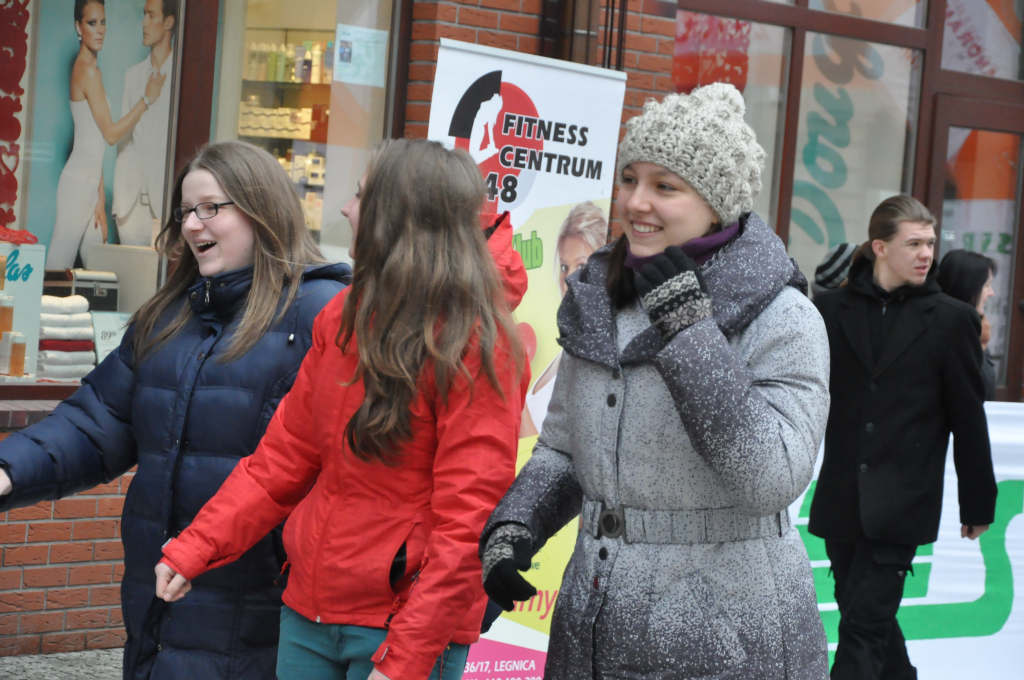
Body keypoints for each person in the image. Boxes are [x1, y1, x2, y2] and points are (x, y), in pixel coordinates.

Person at [480, 82, 830, 678]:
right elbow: (565, 446)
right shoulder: (597, 299)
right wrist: (518, 525)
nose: (636, 202)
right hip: (593, 623)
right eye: (630, 179)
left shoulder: (783, 315)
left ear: (716, 204)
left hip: (731, 634)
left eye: (665, 187)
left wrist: (689, 330)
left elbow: (771, 476)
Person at [153, 139, 529, 680]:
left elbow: (468, 524)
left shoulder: (476, 342)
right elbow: (280, 461)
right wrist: (195, 546)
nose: (347, 209)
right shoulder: (344, 316)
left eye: (360, 195)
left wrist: (404, 662)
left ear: (400, 215)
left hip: (401, 626)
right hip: (310, 610)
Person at [0, 140, 351, 679]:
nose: (192, 224)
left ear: (262, 210)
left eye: (211, 208)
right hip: (160, 608)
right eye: (186, 210)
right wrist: (8, 469)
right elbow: (96, 424)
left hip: (267, 616)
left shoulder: (319, 315)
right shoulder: (167, 317)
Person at [809, 195, 997, 680]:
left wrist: (979, 502)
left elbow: (968, 418)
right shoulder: (829, 310)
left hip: (902, 506)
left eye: (930, 243)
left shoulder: (953, 319)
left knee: (861, 632)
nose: (925, 254)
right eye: (913, 243)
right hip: (841, 499)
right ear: (880, 247)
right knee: (865, 618)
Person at [47, 0, 166, 270]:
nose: (100, 30)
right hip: (77, 186)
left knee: (94, 265)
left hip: (89, 186)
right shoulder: (86, 71)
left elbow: (94, 143)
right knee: (57, 265)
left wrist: (99, 199)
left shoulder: (93, 70)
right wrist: (147, 99)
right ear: (78, 27)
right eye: (92, 23)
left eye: (103, 22)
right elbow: (111, 135)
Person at [520, 200, 607, 437]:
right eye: (563, 267)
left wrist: (512, 383)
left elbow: (556, 449)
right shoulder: (566, 346)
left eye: (581, 265)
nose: (568, 278)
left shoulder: (602, 352)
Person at [112, 0, 177, 248]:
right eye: (144, 15)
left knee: (158, 279)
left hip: (164, 200)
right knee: (128, 277)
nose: (144, 23)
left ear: (169, 22)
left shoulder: (181, 75)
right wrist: (121, 197)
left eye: (151, 16)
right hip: (130, 202)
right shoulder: (133, 75)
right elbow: (123, 139)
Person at [937, 248, 998, 399]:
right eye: (987, 285)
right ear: (969, 287)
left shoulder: (978, 329)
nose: (992, 293)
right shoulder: (944, 333)